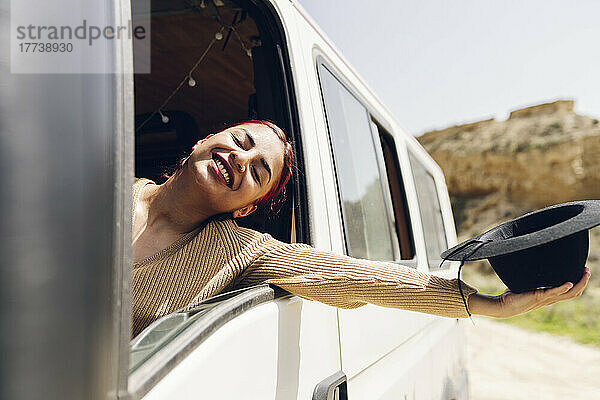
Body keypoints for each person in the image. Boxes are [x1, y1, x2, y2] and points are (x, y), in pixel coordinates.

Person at [131, 120, 590, 337]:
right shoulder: (103, 186)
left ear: (248, 208)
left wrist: (488, 304)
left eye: (258, 172)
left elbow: (360, 277)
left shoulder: (237, 249)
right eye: (241, 142)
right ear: (204, 139)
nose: (240, 158)